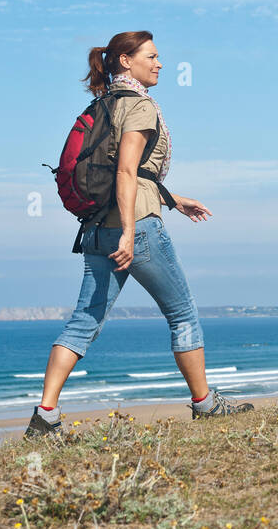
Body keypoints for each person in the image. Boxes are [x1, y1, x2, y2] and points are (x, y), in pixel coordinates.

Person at [25, 31, 253, 438]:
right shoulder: (139, 108)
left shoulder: (103, 104)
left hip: (95, 226)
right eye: (152, 55)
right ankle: (205, 405)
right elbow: (126, 172)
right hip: (136, 226)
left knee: (84, 321)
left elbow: (133, 173)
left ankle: (45, 416)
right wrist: (130, 234)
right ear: (126, 61)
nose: (160, 63)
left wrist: (175, 199)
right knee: (182, 313)